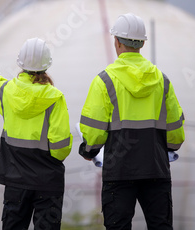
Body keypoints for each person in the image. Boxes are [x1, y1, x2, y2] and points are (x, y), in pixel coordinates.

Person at [78, 13, 185, 230]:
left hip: (119, 172)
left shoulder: (104, 81)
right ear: (143, 43)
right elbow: (175, 132)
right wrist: (170, 148)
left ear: (116, 42)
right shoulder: (162, 81)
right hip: (156, 169)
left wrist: (88, 151)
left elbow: (94, 131)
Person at [0, 37, 73, 230]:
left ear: (20, 64)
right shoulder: (55, 98)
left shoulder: (7, 91)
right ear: (46, 66)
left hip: (16, 180)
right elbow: (61, 146)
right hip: (47, 181)